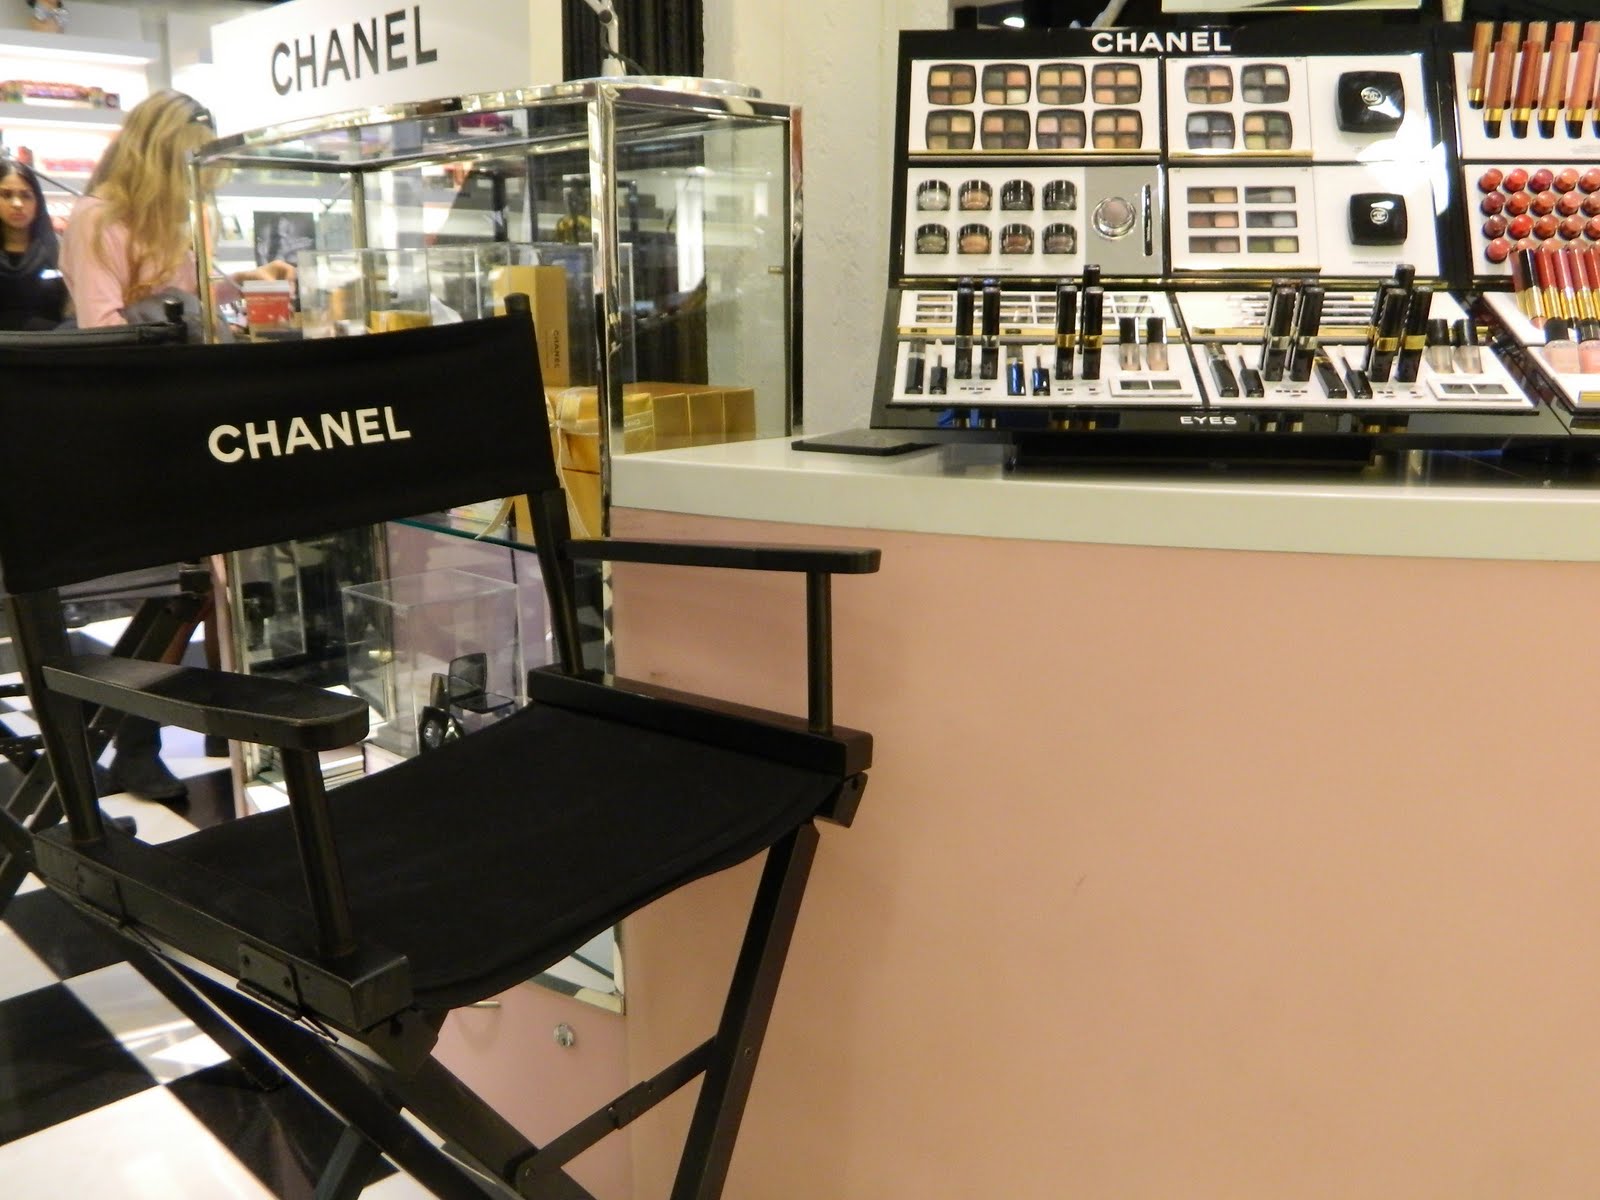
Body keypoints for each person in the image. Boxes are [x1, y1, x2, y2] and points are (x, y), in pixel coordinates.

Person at [60, 90, 294, 801]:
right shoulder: (98, 218)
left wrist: (248, 286)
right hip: (138, 424)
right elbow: (103, 329)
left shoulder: (177, 218)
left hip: (192, 414)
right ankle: (134, 740)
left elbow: (196, 300)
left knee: (213, 580)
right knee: (177, 586)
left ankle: (211, 722)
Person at [0, 158, 68, 330]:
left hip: (51, 344)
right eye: (6, 195)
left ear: (38, 201)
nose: (17, 204)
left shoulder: (61, 251)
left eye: (26, 196)